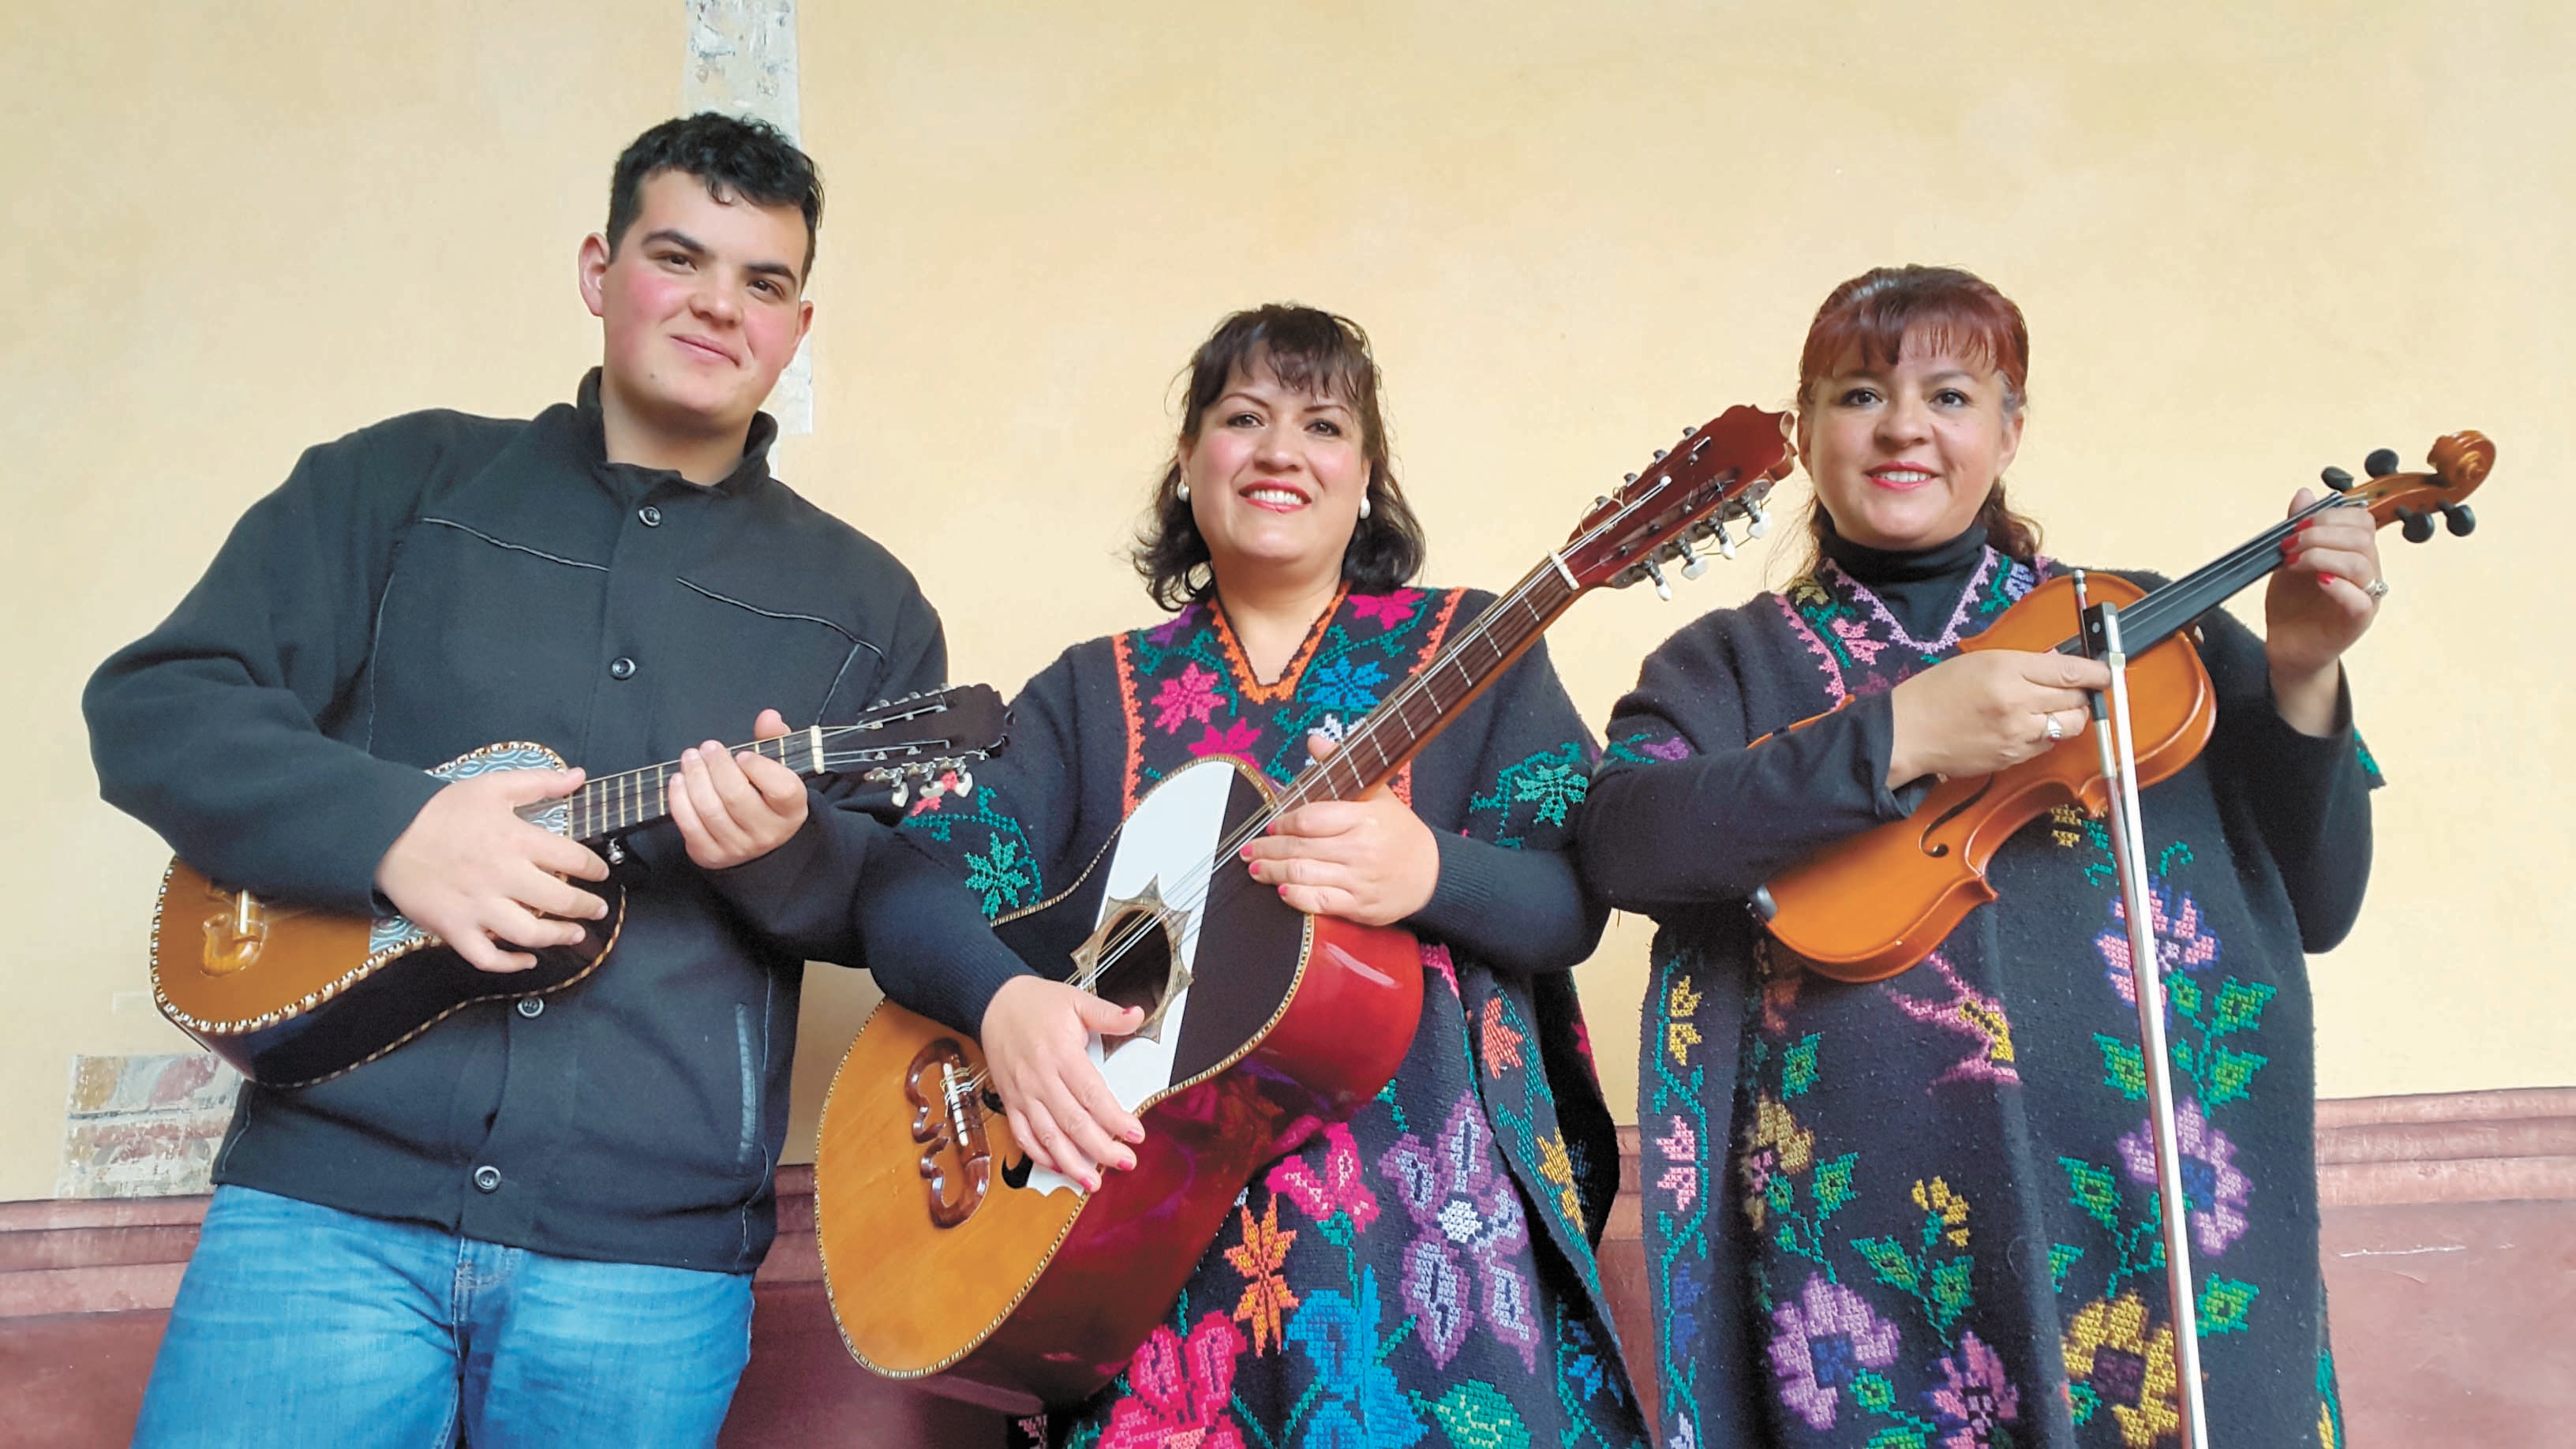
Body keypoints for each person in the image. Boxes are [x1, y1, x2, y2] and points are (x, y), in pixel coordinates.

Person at [84, 112, 1091, 1447]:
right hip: (322, 1218)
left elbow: (883, 894)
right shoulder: (401, 482)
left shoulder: (867, 604)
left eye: (766, 283)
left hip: (644, 1271)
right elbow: (155, 704)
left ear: (798, 326)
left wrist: (784, 855)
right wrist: (397, 833)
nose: (720, 307)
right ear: (596, 270)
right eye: (679, 258)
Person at [1580, 265, 2379, 1447]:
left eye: (1951, 395)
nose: (1904, 425)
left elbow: (2319, 902)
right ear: (1804, 433)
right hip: (1856, 1256)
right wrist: (1897, 735)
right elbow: (1621, 843)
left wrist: (2305, 670)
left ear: (2011, 429)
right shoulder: (1724, 664)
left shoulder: (2146, 632)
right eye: (1859, 394)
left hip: (2140, 1224)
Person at [898, 305, 1647, 1447]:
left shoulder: (1474, 644)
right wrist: (1002, 1006)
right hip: (1143, 1244)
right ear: (1190, 464)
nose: (1281, 449)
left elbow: (1569, 908)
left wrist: (1429, 868)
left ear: (1366, 477)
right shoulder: (1092, 693)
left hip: (1426, 1249)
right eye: (1242, 418)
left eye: (1324, 424)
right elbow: (912, 890)